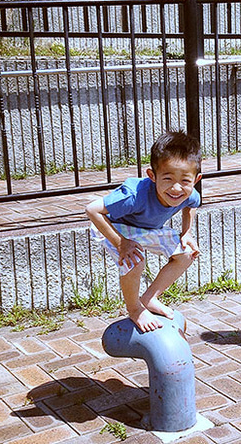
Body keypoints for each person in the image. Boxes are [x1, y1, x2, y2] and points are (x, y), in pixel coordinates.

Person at [86, 131, 202, 332]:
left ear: (196, 179)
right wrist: (121, 243)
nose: (176, 188)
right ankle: (134, 309)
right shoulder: (133, 195)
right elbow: (92, 210)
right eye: (167, 178)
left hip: (146, 229)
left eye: (184, 180)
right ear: (152, 176)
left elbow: (191, 206)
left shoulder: (189, 193)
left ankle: (149, 298)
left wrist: (187, 233)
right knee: (135, 260)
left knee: (187, 253)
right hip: (114, 227)